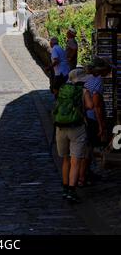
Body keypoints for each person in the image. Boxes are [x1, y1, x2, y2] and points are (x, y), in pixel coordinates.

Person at [53, 68, 94, 203]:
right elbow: (90, 106)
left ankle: (65, 188)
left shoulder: (63, 89)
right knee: (75, 161)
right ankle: (71, 190)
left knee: (65, 159)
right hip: (77, 128)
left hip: (61, 128)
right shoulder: (83, 91)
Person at [78, 57, 111, 186]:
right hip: (92, 119)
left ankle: (84, 174)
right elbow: (97, 105)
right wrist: (102, 126)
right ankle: (82, 177)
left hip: (87, 117)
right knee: (89, 149)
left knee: (88, 148)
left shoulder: (90, 79)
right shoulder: (98, 82)